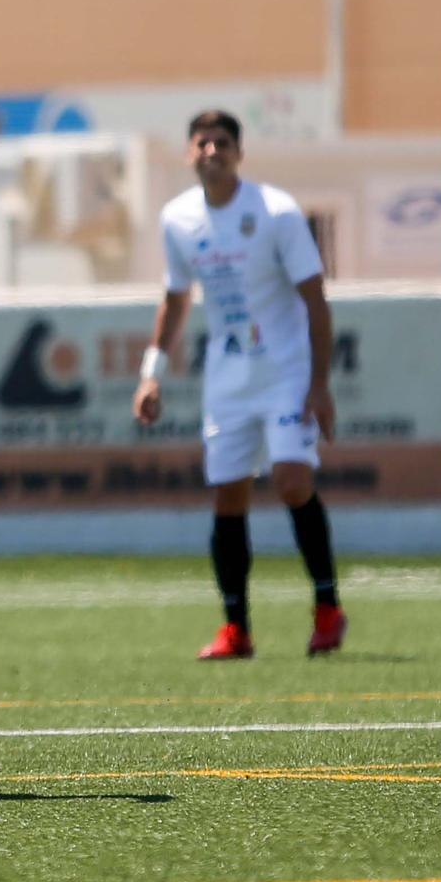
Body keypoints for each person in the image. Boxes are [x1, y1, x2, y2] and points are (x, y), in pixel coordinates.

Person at [133, 110, 347, 659]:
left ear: (238, 153)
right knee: (229, 492)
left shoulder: (274, 211)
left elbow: (315, 297)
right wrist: (151, 375)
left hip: (286, 370)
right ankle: (236, 628)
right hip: (228, 376)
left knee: (293, 480)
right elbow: (177, 299)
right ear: (189, 154)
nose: (212, 151)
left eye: (222, 143)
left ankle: (327, 608)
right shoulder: (178, 218)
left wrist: (319, 383)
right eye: (202, 143)